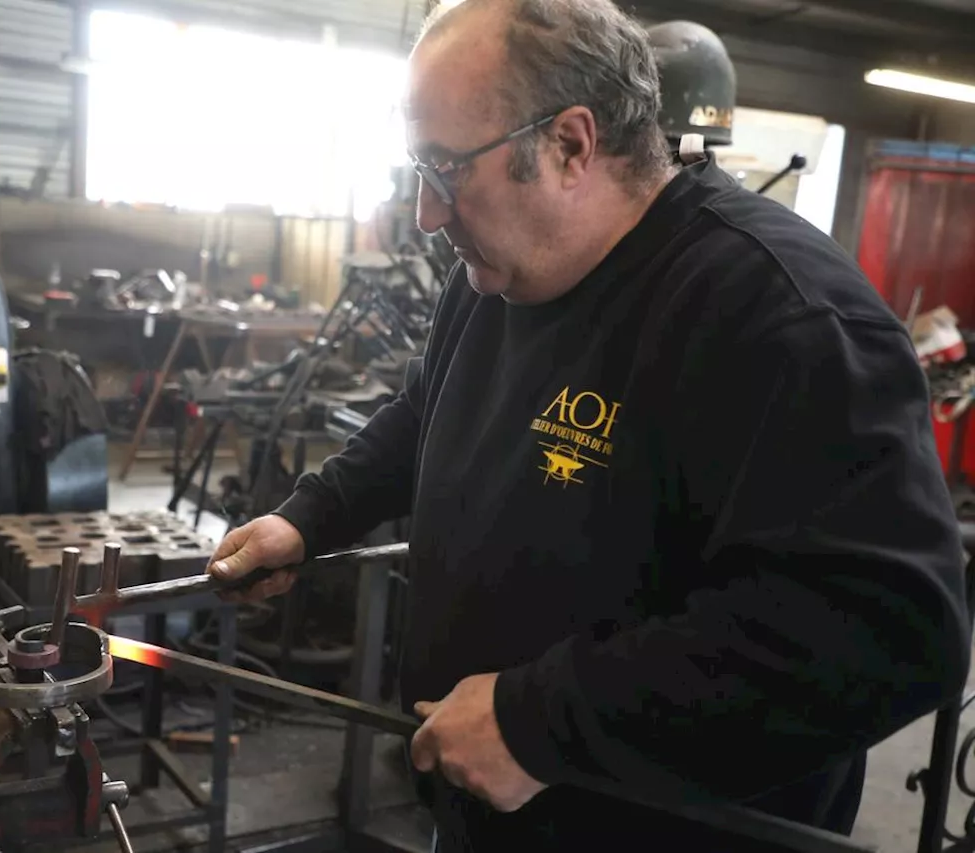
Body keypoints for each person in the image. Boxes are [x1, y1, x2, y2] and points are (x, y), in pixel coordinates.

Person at [206, 0, 973, 848]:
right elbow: (430, 408)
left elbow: (889, 632)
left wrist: (541, 723)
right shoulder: (494, 273)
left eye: (447, 169)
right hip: (487, 807)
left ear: (571, 144)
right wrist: (307, 518)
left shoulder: (780, 320)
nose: (428, 214)